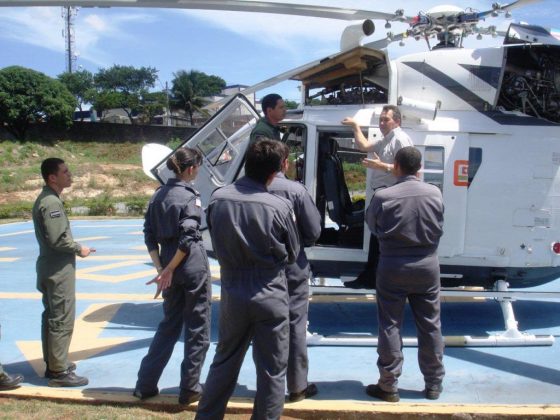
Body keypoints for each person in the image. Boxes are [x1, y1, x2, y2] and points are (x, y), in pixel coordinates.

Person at [196, 140, 300, 420]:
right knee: (272, 370)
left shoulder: (218, 198)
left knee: (224, 360)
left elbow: (214, 238)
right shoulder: (279, 206)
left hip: (233, 289)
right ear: (279, 169)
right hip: (269, 289)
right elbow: (292, 253)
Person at [365, 146, 445, 403]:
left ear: (396, 167)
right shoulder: (435, 193)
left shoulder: (383, 196)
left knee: (390, 324)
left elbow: (372, 225)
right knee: (430, 325)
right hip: (427, 266)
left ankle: (388, 385)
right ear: (419, 168)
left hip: (393, 265)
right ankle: (433, 384)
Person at [134, 147, 211, 406]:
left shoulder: (158, 195)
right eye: (197, 167)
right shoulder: (190, 196)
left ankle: (145, 384)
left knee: (168, 326)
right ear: (191, 169)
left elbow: (149, 235)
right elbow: (188, 237)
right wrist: (170, 269)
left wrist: (162, 269)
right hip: (190, 267)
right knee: (197, 328)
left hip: (168, 264)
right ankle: (190, 387)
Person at [32, 158, 95, 387]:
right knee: (61, 316)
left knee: (52, 315)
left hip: (50, 266)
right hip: (58, 269)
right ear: (52, 177)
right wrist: (80, 249)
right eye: (65, 172)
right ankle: (59, 371)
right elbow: (58, 239)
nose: (70, 175)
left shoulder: (48, 199)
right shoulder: (51, 203)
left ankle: (54, 362)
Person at [268, 142, 322, 403]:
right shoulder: (296, 191)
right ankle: (297, 386)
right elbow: (313, 231)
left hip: (256, 268)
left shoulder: (237, 191)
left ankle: (268, 386)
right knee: (294, 325)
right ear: (284, 163)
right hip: (291, 266)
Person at [341, 105, 413, 289]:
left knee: (383, 243)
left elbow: (410, 170)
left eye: (386, 119)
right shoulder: (386, 139)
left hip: (392, 200)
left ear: (397, 121)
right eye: (380, 119)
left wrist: (382, 166)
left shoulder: (400, 139)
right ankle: (371, 278)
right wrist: (356, 126)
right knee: (376, 240)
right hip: (382, 197)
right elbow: (364, 146)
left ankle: (378, 281)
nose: (382, 123)